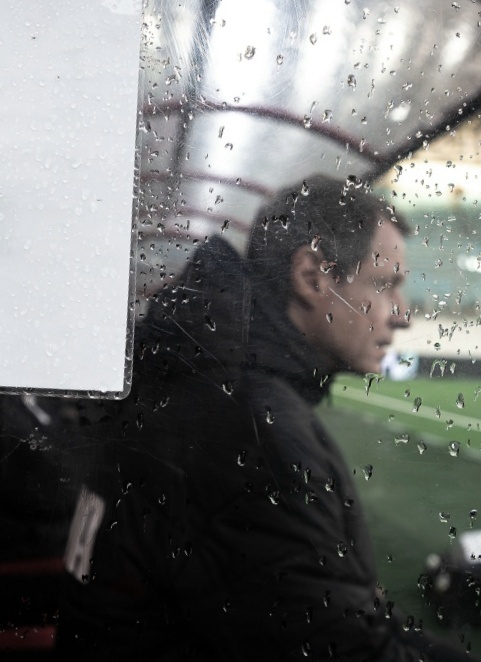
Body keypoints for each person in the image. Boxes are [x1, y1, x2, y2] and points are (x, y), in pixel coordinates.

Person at [57, 176, 476, 661]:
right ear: (313, 277)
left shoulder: (203, 372)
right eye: (384, 285)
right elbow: (346, 649)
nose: (403, 314)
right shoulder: (255, 429)